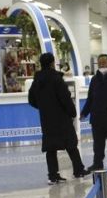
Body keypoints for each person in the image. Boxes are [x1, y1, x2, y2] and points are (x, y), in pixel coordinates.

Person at [28, 52, 90, 184]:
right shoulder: (56, 79)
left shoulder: (37, 80)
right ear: (52, 63)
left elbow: (31, 99)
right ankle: (78, 170)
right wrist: (72, 113)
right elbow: (65, 98)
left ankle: (53, 175)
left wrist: (44, 108)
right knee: (71, 144)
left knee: (50, 148)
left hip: (47, 119)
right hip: (61, 118)